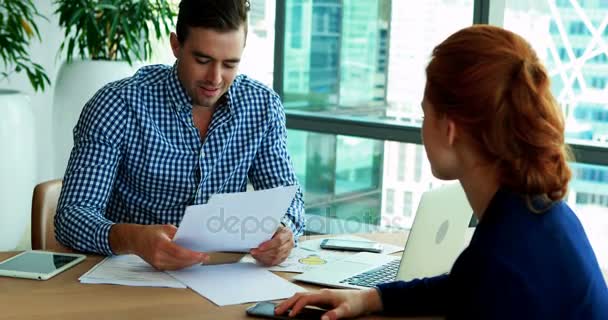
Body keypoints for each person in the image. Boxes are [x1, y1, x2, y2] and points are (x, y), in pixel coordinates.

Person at [276, 25, 608, 319]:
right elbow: (465, 287)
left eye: (424, 114)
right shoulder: (542, 214)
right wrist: (371, 298)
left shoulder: (500, 259)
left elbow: (484, 285)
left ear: (449, 129)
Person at [54, 0, 305, 270]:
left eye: (230, 64)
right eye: (203, 60)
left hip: (221, 279)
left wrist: (284, 232)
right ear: (176, 45)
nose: (215, 78)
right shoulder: (118, 105)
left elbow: (288, 199)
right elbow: (72, 217)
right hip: (130, 278)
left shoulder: (262, 106)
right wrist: (133, 238)